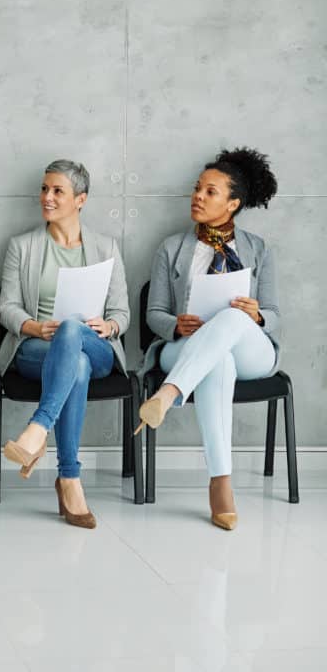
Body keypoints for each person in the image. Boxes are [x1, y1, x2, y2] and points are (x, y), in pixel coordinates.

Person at [138, 148, 279, 531]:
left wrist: (257, 315)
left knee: (233, 316)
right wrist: (175, 326)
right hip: (187, 347)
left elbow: (276, 315)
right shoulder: (172, 248)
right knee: (218, 360)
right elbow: (154, 314)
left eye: (210, 192)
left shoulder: (258, 249)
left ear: (233, 204)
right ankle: (221, 482)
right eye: (197, 189)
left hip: (252, 350)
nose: (198, 196)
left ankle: (167, 394)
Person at [0, 160, 129, 529]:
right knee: (78, 366)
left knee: (75, 333)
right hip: (37, 348)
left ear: (80, 199)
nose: (47, 197)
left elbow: (123, 311)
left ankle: (38, 429)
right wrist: (36, 328)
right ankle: (69, 478)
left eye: (57, 191)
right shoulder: (21, 247)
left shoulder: (107, 247)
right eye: (44, 189)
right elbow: (6, 308)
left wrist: (111, 324)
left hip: (97, 345)